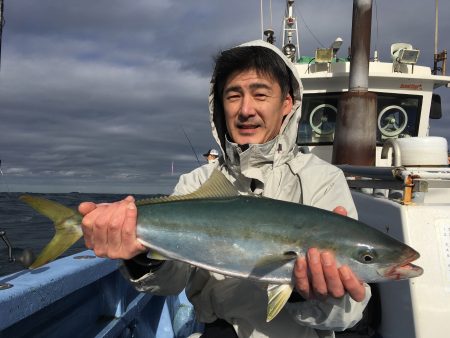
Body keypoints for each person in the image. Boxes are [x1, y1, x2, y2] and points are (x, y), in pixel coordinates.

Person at [79, 40, 371, 338]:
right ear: (220, 104)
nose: (246, 110)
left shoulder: (322, 179)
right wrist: (137, 255)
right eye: (234, 95)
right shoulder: (197, 182)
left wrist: (303, 292)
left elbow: (348, 315)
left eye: (260, 94)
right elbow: (171, 281)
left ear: (287, 103)